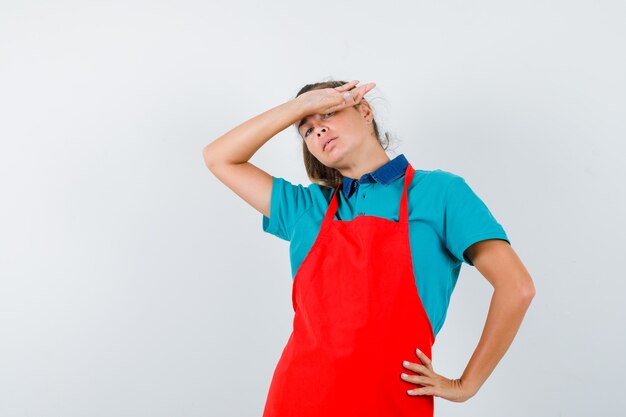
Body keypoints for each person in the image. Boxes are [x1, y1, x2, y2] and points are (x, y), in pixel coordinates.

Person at [202, 79, 536, 416]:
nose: (317, 131)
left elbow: (516, 287)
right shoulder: (307, 208)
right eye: (306, 130)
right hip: (298, 399)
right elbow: (219, 158)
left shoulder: (440, 193)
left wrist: (467, 384)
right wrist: (298, 107)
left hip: (390, 402)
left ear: (364, 110)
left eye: (327, 113)